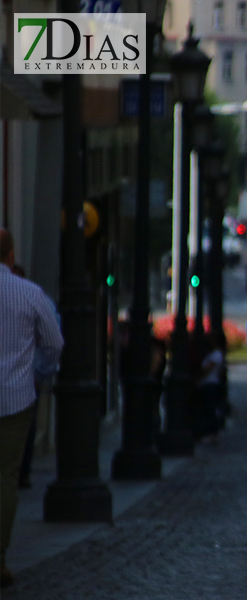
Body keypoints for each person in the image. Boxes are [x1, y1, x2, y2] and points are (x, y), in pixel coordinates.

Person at [0, 229, 64, 589]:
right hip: (14, 397)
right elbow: (54, 342)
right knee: (5, 478)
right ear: (10, 256)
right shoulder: (29, 293)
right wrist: (38, 372)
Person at [195, 333, 226, 444]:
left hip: (210, 384)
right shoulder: (215, 354)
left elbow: (207, 369)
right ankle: (209, 432)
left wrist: (198, 379)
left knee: (210, 409)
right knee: (208, 409)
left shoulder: (216, 354)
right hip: (210, 383)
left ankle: (212, 434)